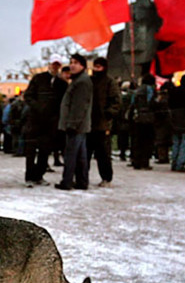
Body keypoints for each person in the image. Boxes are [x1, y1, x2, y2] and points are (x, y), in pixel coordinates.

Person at [23, 55, 67, 187]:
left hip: (50, 123)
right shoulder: (38, 79)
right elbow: (28, 96)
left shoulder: (62, 84)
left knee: (45, 150)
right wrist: (37, 107)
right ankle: (29, 176)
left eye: (57, 65)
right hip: (35, 120)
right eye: (53, 64)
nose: (55, 67)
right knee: (31, 150)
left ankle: (39, 175)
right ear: (49, 65)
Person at [55, 54, 93, 190]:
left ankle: (67, 181)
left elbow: (79, 106)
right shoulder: (79, 80)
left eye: (76, 63)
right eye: (71, 62)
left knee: (71, 155)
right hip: (80, 125)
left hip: (76, 125)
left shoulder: (81, 82)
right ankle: (82, 181)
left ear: (83, 66)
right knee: (81, 155)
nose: (72, 65)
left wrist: (72, 124)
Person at [87, 57, 121, 187]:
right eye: (95, 66)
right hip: (88, 123)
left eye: (99, 66)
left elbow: (116, 101)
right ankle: (83, 176)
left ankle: (106, 178)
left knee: (103, 154)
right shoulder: (89, 81)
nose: (97, 69)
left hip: (102, 124)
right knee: (86, 153)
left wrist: (108, 114)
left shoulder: (109, 82)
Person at [129, 73, 157, 170]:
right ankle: (145, 162)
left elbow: (132, 104)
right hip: (148, 118)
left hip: (137, 118)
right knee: (147, 141)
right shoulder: (150, 90)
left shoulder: (137, 91)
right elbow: (152, 103)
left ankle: (136, 161)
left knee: (137, 141)